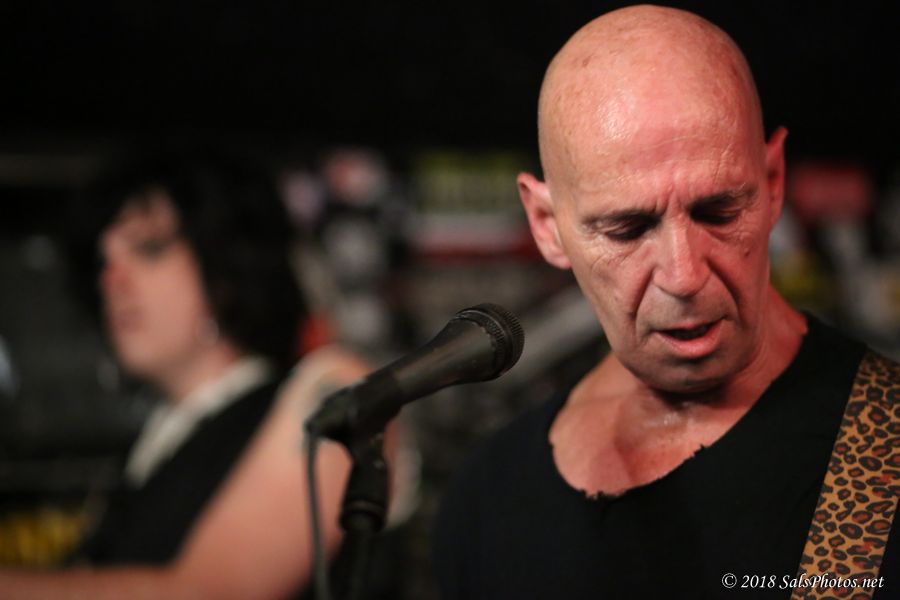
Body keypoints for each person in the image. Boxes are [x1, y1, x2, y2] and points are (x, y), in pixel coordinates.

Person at [434, 6, 899, 599]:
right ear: (547, 225)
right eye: (627, 229)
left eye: (719, 212)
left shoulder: (882, 452)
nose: (683, 276)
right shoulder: (490, 497)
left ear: (773, 182)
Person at [0, 150, 369, 598]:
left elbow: (206, 592)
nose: (113, 280)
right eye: (102, 262)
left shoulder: (324, 389)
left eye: (149, 249)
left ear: (226, 265)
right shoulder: (157, 442)